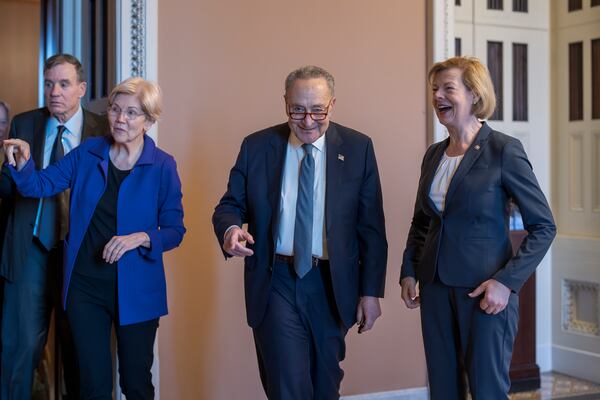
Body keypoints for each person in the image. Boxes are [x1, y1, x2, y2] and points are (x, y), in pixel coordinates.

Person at [4, 76, 185, 400]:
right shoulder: (88, 152)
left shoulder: (162, 165)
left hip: (138, 291)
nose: (119, 119)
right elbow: (39, 186)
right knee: (92, 386)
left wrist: (139, 238)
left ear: (149, 119)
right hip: (85, 288)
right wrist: (24, 163)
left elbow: (174, 230)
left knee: (136, 383)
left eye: (131, 113)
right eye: (115, 110)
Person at [213, 65, 388, 399]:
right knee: (287, 383)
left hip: (332, 283)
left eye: (318, 110)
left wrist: (371, 293)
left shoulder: (357, 148)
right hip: (275, 278)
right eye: (298, 110)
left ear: (332, 105)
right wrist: (231, 229)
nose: (308, 121)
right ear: (284, 103)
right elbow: (230, 204)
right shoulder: (257, 146)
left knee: (325, 383)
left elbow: (372, 229)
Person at [399, 56, 556, 399]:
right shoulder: (433, 155)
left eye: (448, 88)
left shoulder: (504, 149)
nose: (438, 95)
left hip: (485, 295)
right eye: (434, 89)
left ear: (473, 94)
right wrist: (409, 270)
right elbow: (422, 221)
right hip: (435, 290)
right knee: (443, 390)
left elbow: (544, 226)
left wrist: (506, 283)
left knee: (487, 391)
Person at [0, 54, 107, 400]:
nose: (54, 92)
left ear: (81, 88)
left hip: (82, 256)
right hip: (30, 249)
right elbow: (8, 187)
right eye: (49, 84)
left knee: (80, 355)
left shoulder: (103, 130)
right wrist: (13, 167)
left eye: (63, 84)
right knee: (20, 352)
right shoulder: (24, 123)